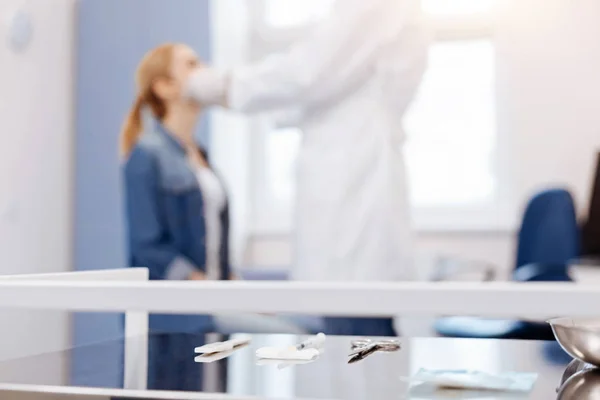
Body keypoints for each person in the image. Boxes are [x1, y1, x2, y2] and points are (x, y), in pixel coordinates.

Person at [185, 0, 430, 336]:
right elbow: (315, 86)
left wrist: (221, 85)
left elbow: (307, 74)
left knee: (356, 352)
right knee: (351, 349)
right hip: (353, 192)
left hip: (356, 198)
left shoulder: (372, 8)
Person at [121, 44, 306, 391]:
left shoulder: (200, 156)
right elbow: (147, 247)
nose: (203, 70)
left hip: (210, 300)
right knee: (294, 336)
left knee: (294, 328)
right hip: (177, 309)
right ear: (164, 86)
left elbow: (214, 249)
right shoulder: (146, 155)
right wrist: (209, 290)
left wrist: (241, 293)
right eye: (191, 64)